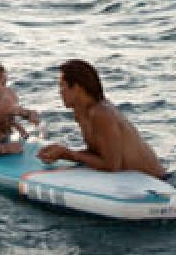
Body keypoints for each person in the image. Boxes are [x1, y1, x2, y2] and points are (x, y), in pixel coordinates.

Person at [37, 59, 167, 179]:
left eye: (62, 86)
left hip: (155, 182)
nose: (60, 92)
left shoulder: (101, 113)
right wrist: (59, 152)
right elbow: (99, 153)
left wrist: (67, 154)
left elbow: (112, 165)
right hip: (131, 180)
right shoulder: (82, 112)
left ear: (77, 88)